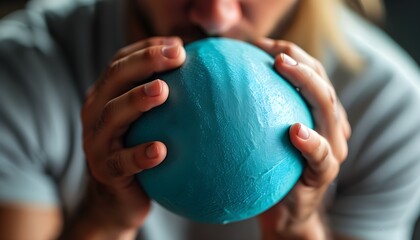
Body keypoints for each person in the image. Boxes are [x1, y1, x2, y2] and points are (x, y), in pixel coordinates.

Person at [0, 0, 419, 239]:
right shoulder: (20, 72)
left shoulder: (392, 111)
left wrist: (298, 227)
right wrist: (105, 219)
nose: (216, 16)